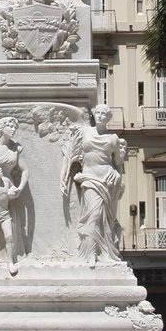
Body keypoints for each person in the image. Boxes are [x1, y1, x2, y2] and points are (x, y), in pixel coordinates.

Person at [62, 104, 126, 266]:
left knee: (104, 218)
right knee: (94, 215)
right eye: (97, 112)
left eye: (104, 114)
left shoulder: (113, 138)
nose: (100, 116)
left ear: (108, 117)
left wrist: (120, 180)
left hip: (107, 177)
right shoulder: (85, 132)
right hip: (90, 177)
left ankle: (102, 253)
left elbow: (118, 162)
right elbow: (72, 152)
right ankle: (89, 254)